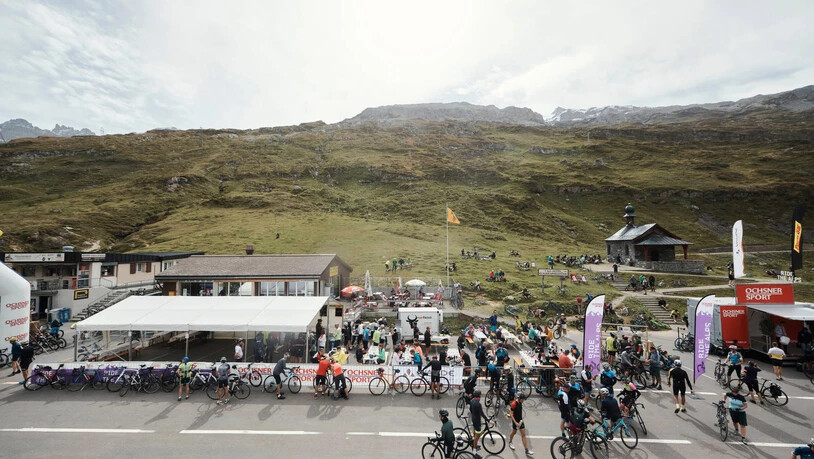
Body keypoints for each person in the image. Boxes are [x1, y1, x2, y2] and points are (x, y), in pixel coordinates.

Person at [468, 390, 491, 457]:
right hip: (477, 421)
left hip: (473, 419)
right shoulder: (478, 404)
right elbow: (482, 414)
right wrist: (489, 420)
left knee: (475, 433)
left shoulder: (472, 400)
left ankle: (474, 443)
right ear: (479, 396)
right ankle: (474, 451)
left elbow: (470, 409)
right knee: (477, 437)